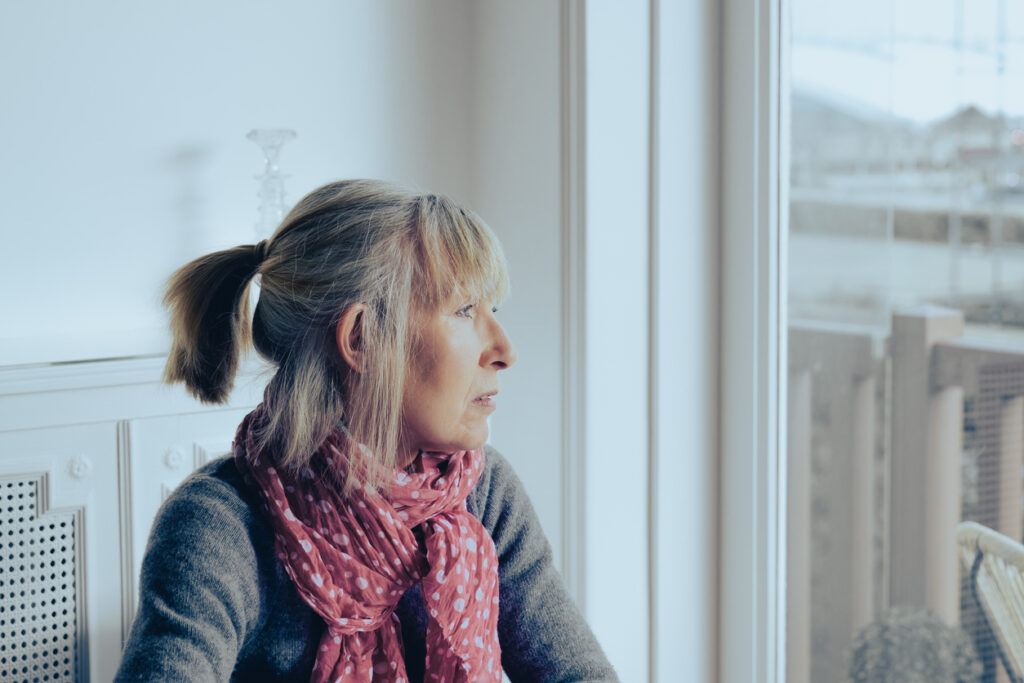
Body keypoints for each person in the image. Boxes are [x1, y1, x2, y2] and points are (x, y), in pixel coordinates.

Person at [115, 179, 617, 682]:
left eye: (494, 310)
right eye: (465, 311)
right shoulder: (219, 528)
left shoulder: (482, 494)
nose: (504, 349)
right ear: (363, 339)